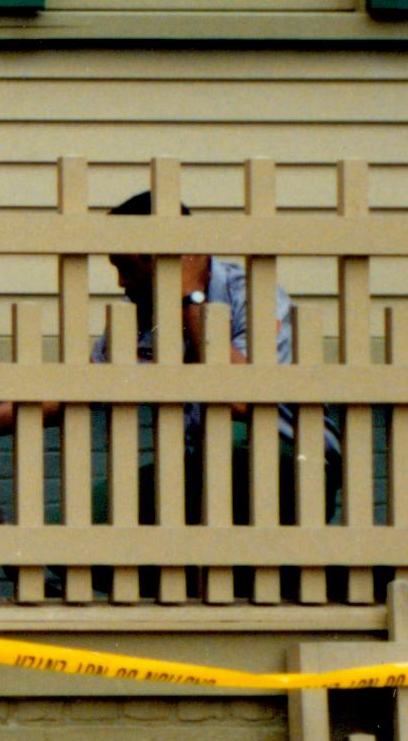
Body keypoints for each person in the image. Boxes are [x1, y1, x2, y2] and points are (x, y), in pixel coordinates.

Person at [94, 191, 340, 523]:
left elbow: (240, 400)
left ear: (161, 258)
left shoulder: (252, 296)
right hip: (195, 468)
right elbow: (78, 389)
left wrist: (188, 298)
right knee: (92, 512)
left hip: (290, 462)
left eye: (125, 267)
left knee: (230, 449)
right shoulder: (138, 314)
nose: (121, 282)